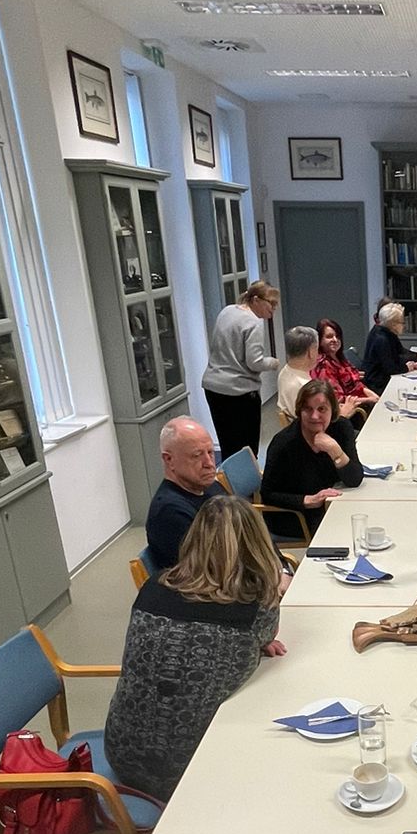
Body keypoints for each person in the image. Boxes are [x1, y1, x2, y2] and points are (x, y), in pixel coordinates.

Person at [105, 495, 287, 804]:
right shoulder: (255, 606)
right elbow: (266, 635)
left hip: (122, 751)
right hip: (189, 770)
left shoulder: (153, 587)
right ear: (258, 546)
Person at [259, 377, 365, 529]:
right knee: (347, 528)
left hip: (330, 506)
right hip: (295, 515)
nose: (314, 416)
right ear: (299, 411)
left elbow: (354, 479)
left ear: (333, 410)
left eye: (322, 409)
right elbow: (267, 494)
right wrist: (308, 500)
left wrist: (335, 450)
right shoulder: (284, 443)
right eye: (308, 409)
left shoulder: (341, 428)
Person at [202, 279, 280, 460]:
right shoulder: (253, 323)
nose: (273, 309)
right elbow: (254, 362)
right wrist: (272, 363)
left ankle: (230, 477)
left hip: (214, 388)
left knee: (228, 445)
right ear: (256, 300)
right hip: (238, 393)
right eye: (271, 304)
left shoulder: (227, 311)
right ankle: (245, 479)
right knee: (247, 450)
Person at [144, 416, 219, 570]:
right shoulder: (170, 513)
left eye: (210, 452)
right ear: (169, 460)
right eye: (197, 455)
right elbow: (207, 569)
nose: (209, 463)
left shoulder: (209, 486)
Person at [312, 317, 378, 418]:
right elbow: (338, 399)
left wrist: (373, 396)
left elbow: (357, 384)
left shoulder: (340, 358)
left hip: (361, 403)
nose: (335, 340)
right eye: (329, 337)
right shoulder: (323, 365)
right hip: (349, 413)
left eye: (337, 336)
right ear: (320, 340)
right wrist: (369, 400)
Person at [362, 300, 417, 395]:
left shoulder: (386, 333)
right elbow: (391, 368)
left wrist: (415, 358)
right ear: (393, 324)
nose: (404, 326)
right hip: (378, 385)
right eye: (402, 323)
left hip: (382, 379)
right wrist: (407, 367)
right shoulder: (382, 339)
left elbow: (398, 354)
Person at [276, 325, 319, 421]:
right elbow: (316, 422)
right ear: (311, 352)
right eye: (317, 349)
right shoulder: (305, 386)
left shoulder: (284, 372)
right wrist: (343, 414)